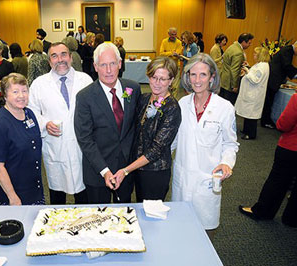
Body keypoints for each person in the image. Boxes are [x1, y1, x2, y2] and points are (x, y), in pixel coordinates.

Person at [171, 53, 239, 235]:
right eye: (193, 74)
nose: (197, 80)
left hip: (207, 180)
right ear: (187, 77)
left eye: (203, 75)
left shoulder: (225, 108)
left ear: (212, 77)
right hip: (183, 178)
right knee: (180, 230)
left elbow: (230, 144)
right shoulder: (182, 104)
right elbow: (173, 140)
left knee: (204, 233)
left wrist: (226, 162)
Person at [74, 42, 141, 204]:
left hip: (125, 169)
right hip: (97, 170)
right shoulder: (85, 97)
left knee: (124, 216)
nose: (109, 70)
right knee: (98, 217)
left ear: (120, 64)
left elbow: (136, 127)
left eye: (112, 64)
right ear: (95, 67)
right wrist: (104, 171)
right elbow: (85, 138)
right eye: (103, 65)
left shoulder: (133, 88)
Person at [29, 42, 93, 205]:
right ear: (49, 61)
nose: (60, 59)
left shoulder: (85, 80)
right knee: (57, 194)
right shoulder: (39, 84)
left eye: (64, 54)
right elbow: (31, 112)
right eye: (54, 56)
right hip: (55, 144)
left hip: (82, 145)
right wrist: (45, 124)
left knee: (84, 193)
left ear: (71, 57)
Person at [112, 56, 181, 202]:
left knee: (151, 214)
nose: (157, 83)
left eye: (162, 79)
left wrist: (126, 170)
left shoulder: (172, 108)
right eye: (154, 77)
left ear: (171, 80)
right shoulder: (144, 98)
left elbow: (156, 150)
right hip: (136, 168)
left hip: (155, 172)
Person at [239, 93, 297, 228]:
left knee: (277, 181)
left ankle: (263, 211)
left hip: (291, 148)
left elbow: (283, 125)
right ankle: (292, 218)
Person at [0, 73, 45, 205]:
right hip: (13, 195)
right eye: (15, 91)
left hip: (34, 189)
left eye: (24, 91)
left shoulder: (29, 114)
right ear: (5, 95)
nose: (21, 95)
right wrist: (12, 196)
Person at [235, 47, 270, 140]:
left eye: (255, 54)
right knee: (248, 114)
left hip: (254, 94)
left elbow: (255, 79)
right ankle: (246, 130)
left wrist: (247, 71)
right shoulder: (261, 65)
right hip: (252, 93)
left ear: (260, 56)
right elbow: (255, 73)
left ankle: (251, 134)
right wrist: (249, 67)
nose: (253, 55)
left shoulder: (262, 67)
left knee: (251, 116)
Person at [260, 41, 297, 129]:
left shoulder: (288, 50)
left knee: (269, 101)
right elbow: (287, 66)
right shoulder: (288, 50)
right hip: (273, 79)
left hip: (274, 78)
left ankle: (266, 120)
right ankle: (265, 121)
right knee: (269, 101)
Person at [220, 33, 254, 105]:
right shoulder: (238, 52)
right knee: (228, 105)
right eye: (249, 43)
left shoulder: (233, 46)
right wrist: (235, 86)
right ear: (244, 42)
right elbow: (234, 70)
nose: (250, 45)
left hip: (224, 79)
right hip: (229, 82)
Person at [159, 27, 183, 99]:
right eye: (172, 34)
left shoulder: (179, 42)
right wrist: (172, 53)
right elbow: (161, 53)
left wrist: (167, 53)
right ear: (168, 34)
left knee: (175, 86)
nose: (173, 36)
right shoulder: (164, 41)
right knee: (166, 84)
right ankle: (165, 99)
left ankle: (174, 100)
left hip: (175, 66)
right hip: (166, 66)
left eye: (175, 34)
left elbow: (177, 55)